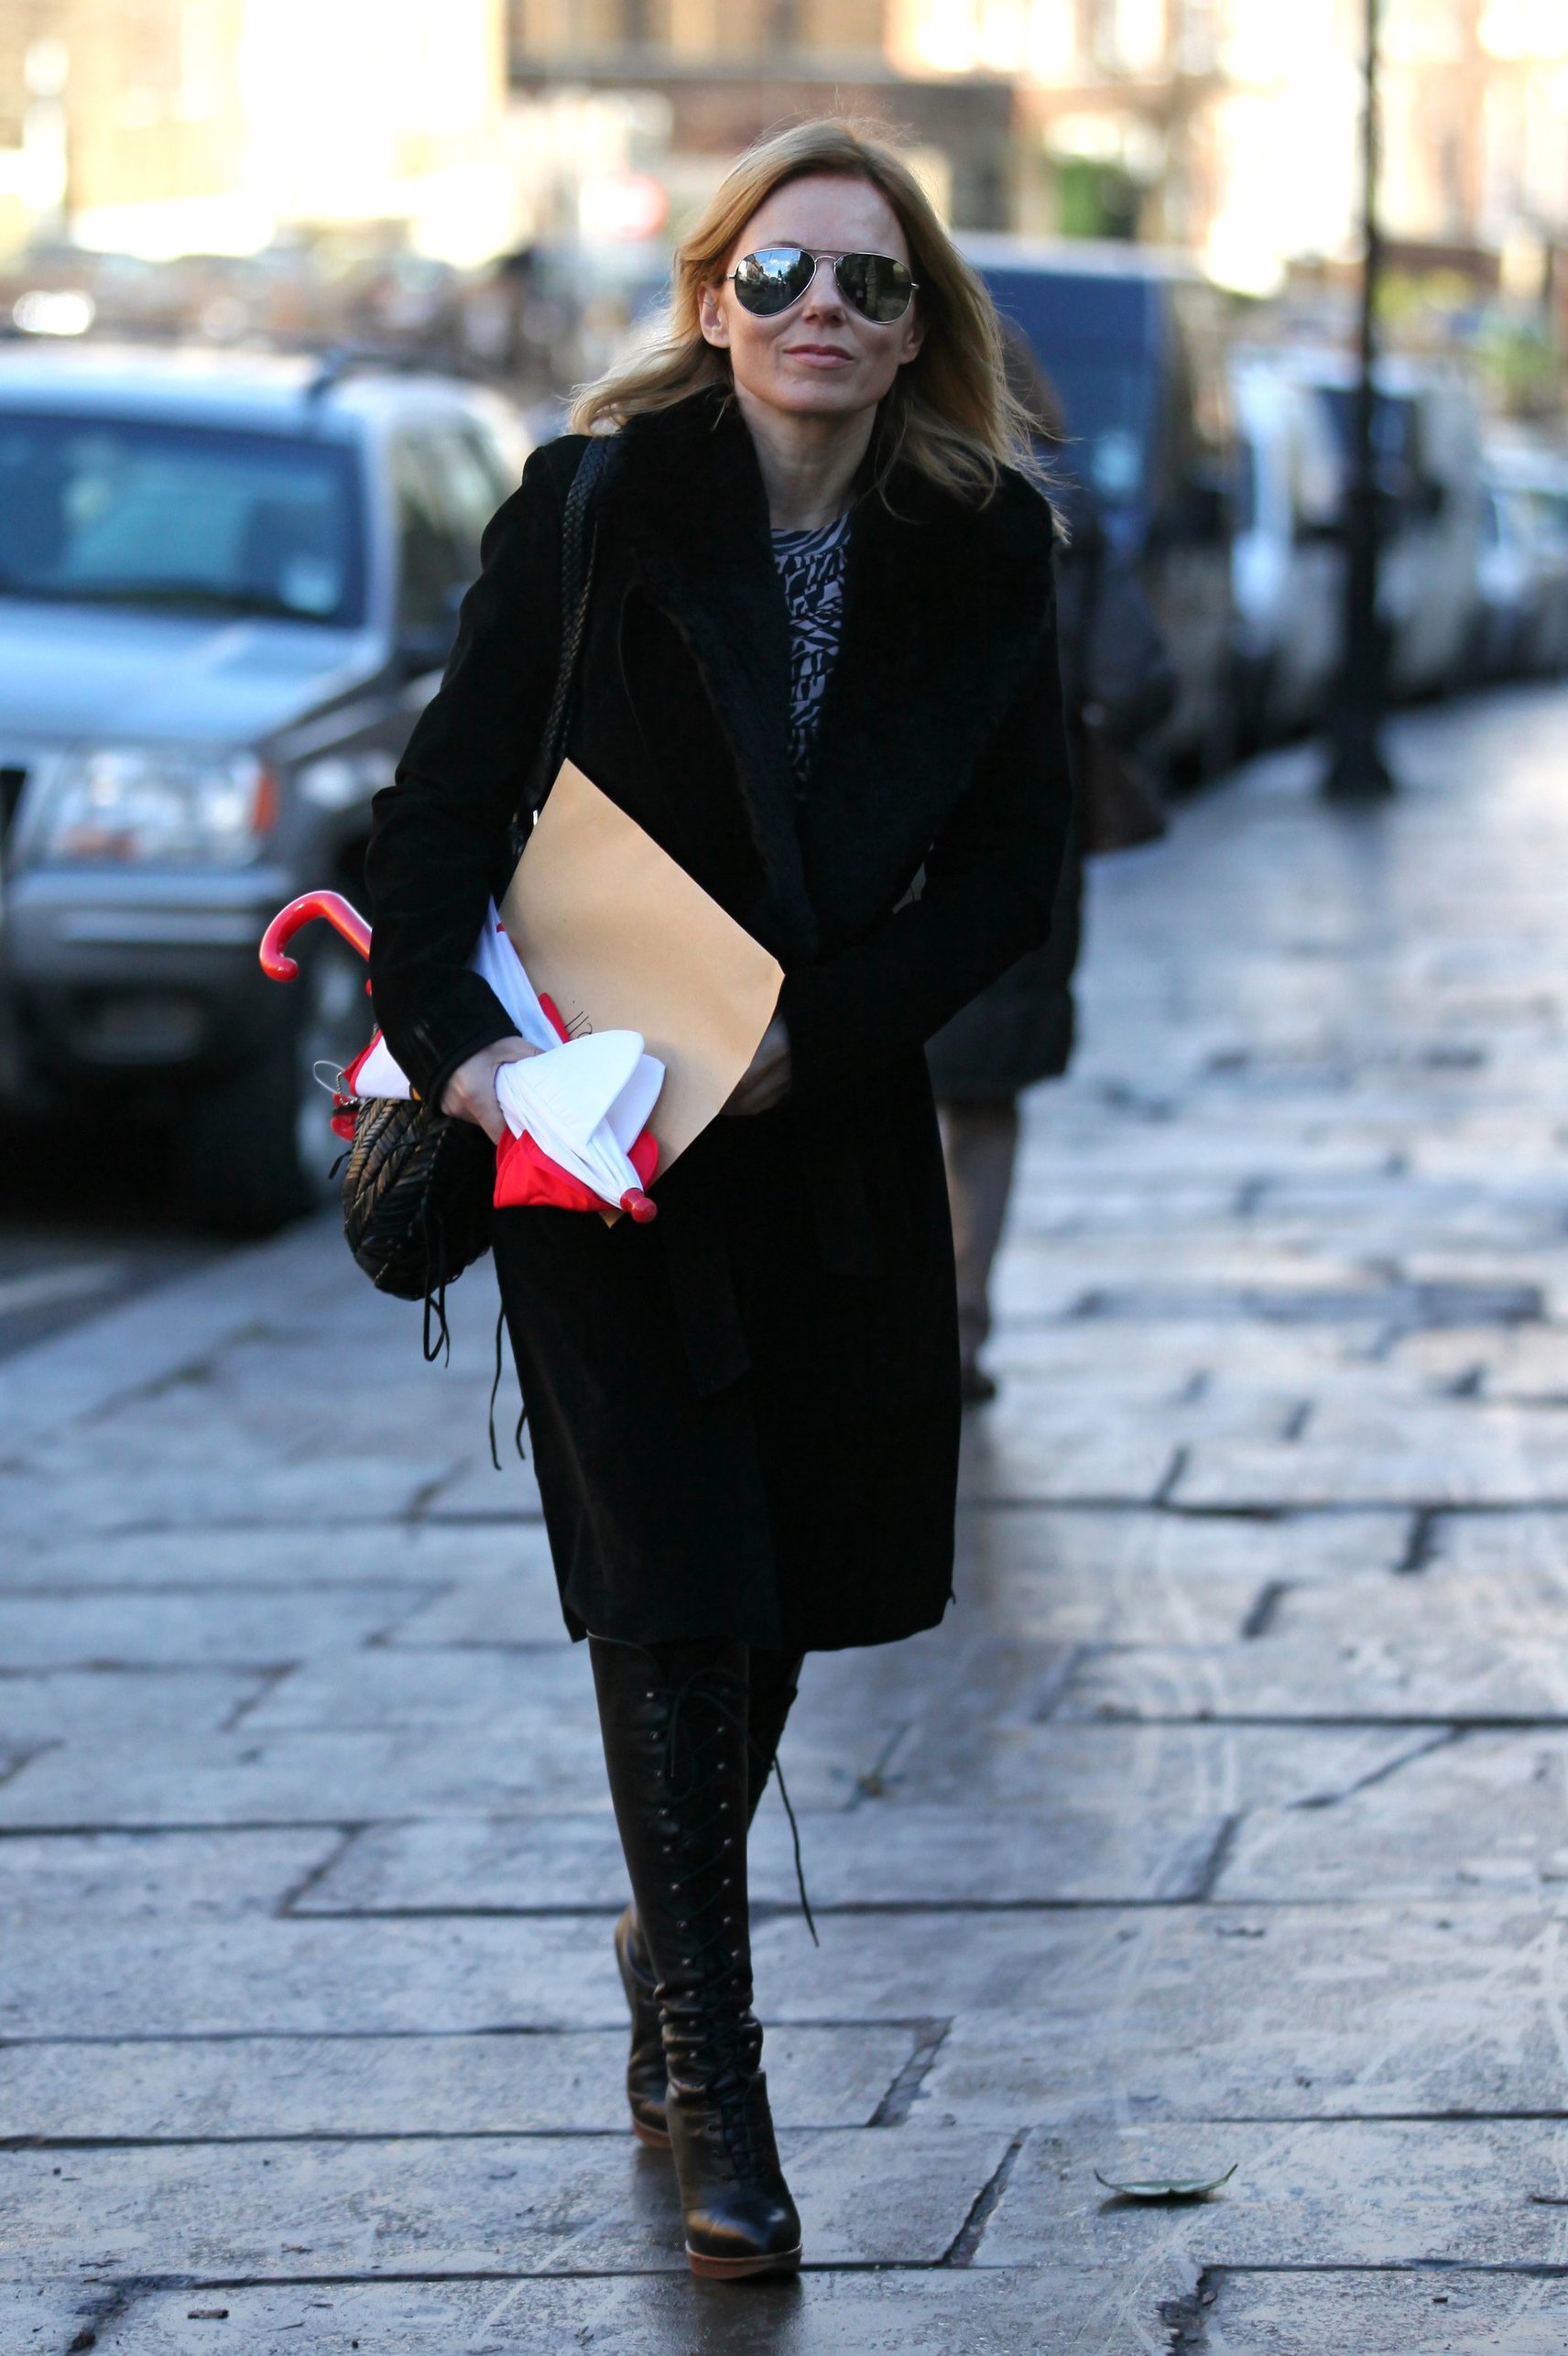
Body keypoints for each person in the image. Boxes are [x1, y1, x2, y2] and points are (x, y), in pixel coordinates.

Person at [365, 118, 1073, 2282]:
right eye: (778, 278)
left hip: (821, 1138)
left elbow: (1011, 876)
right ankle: (719, 2077)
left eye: (868, 284)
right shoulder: (589, 508)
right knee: (674, 1582)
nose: (819, 316)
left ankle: (654, 1930)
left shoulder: (980, 545)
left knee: (778, 1597)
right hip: (591, 1147)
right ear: (707, 303)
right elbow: (439, 809)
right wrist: (463, 1059)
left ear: (917, 326)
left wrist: (808, 1043)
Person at [928, 332, 1173, 1402]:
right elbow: (1143, 675)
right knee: (983, 1101)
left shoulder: (891, 497)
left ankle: (900, 1323)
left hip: (901, 853)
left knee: (887, 1084)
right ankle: (963, 1325)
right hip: (1028, 846)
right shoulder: (1062, 517)